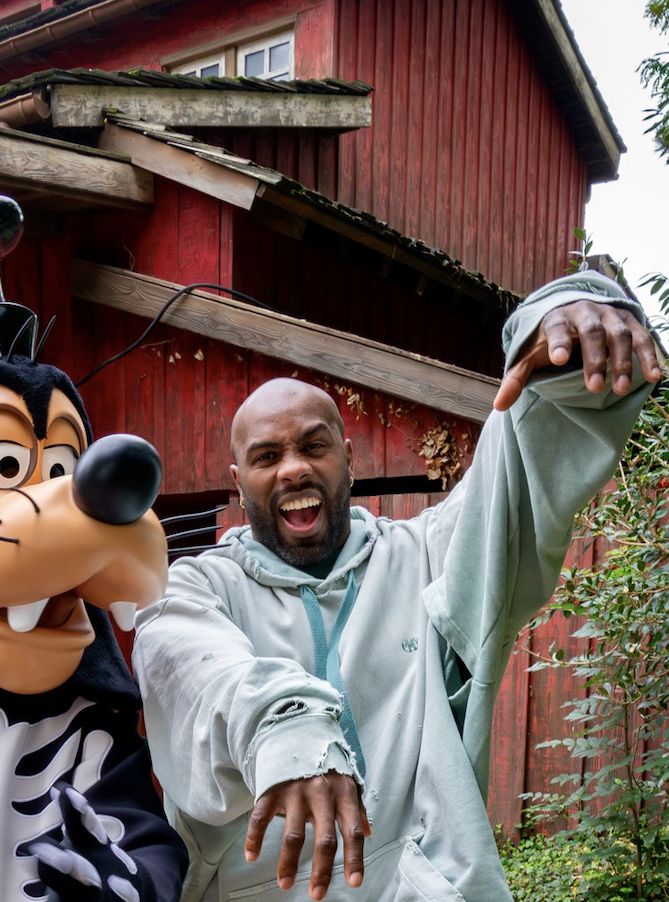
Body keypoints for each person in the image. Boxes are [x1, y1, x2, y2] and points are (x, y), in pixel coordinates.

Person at [131, 271, 664, 902]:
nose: (295, 466)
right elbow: (188, 665)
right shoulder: (193, 589)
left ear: (348, 459)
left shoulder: (429, 557)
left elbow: (521, 458)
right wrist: (285, 727)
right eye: (267, 456)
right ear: (238, 480)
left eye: (314, 446)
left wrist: (563, 318)